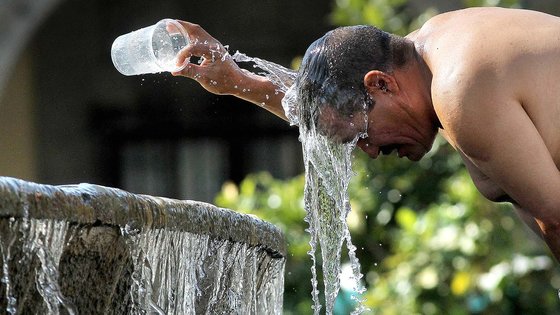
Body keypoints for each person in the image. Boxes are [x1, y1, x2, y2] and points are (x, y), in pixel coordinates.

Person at [172, 7, 560, 261]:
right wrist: (238, 81)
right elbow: (334, 106)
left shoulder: (459, 91)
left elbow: (556, 217)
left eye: (362, 135)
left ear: (381, 85)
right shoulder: (432, 48)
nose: (370, 151)